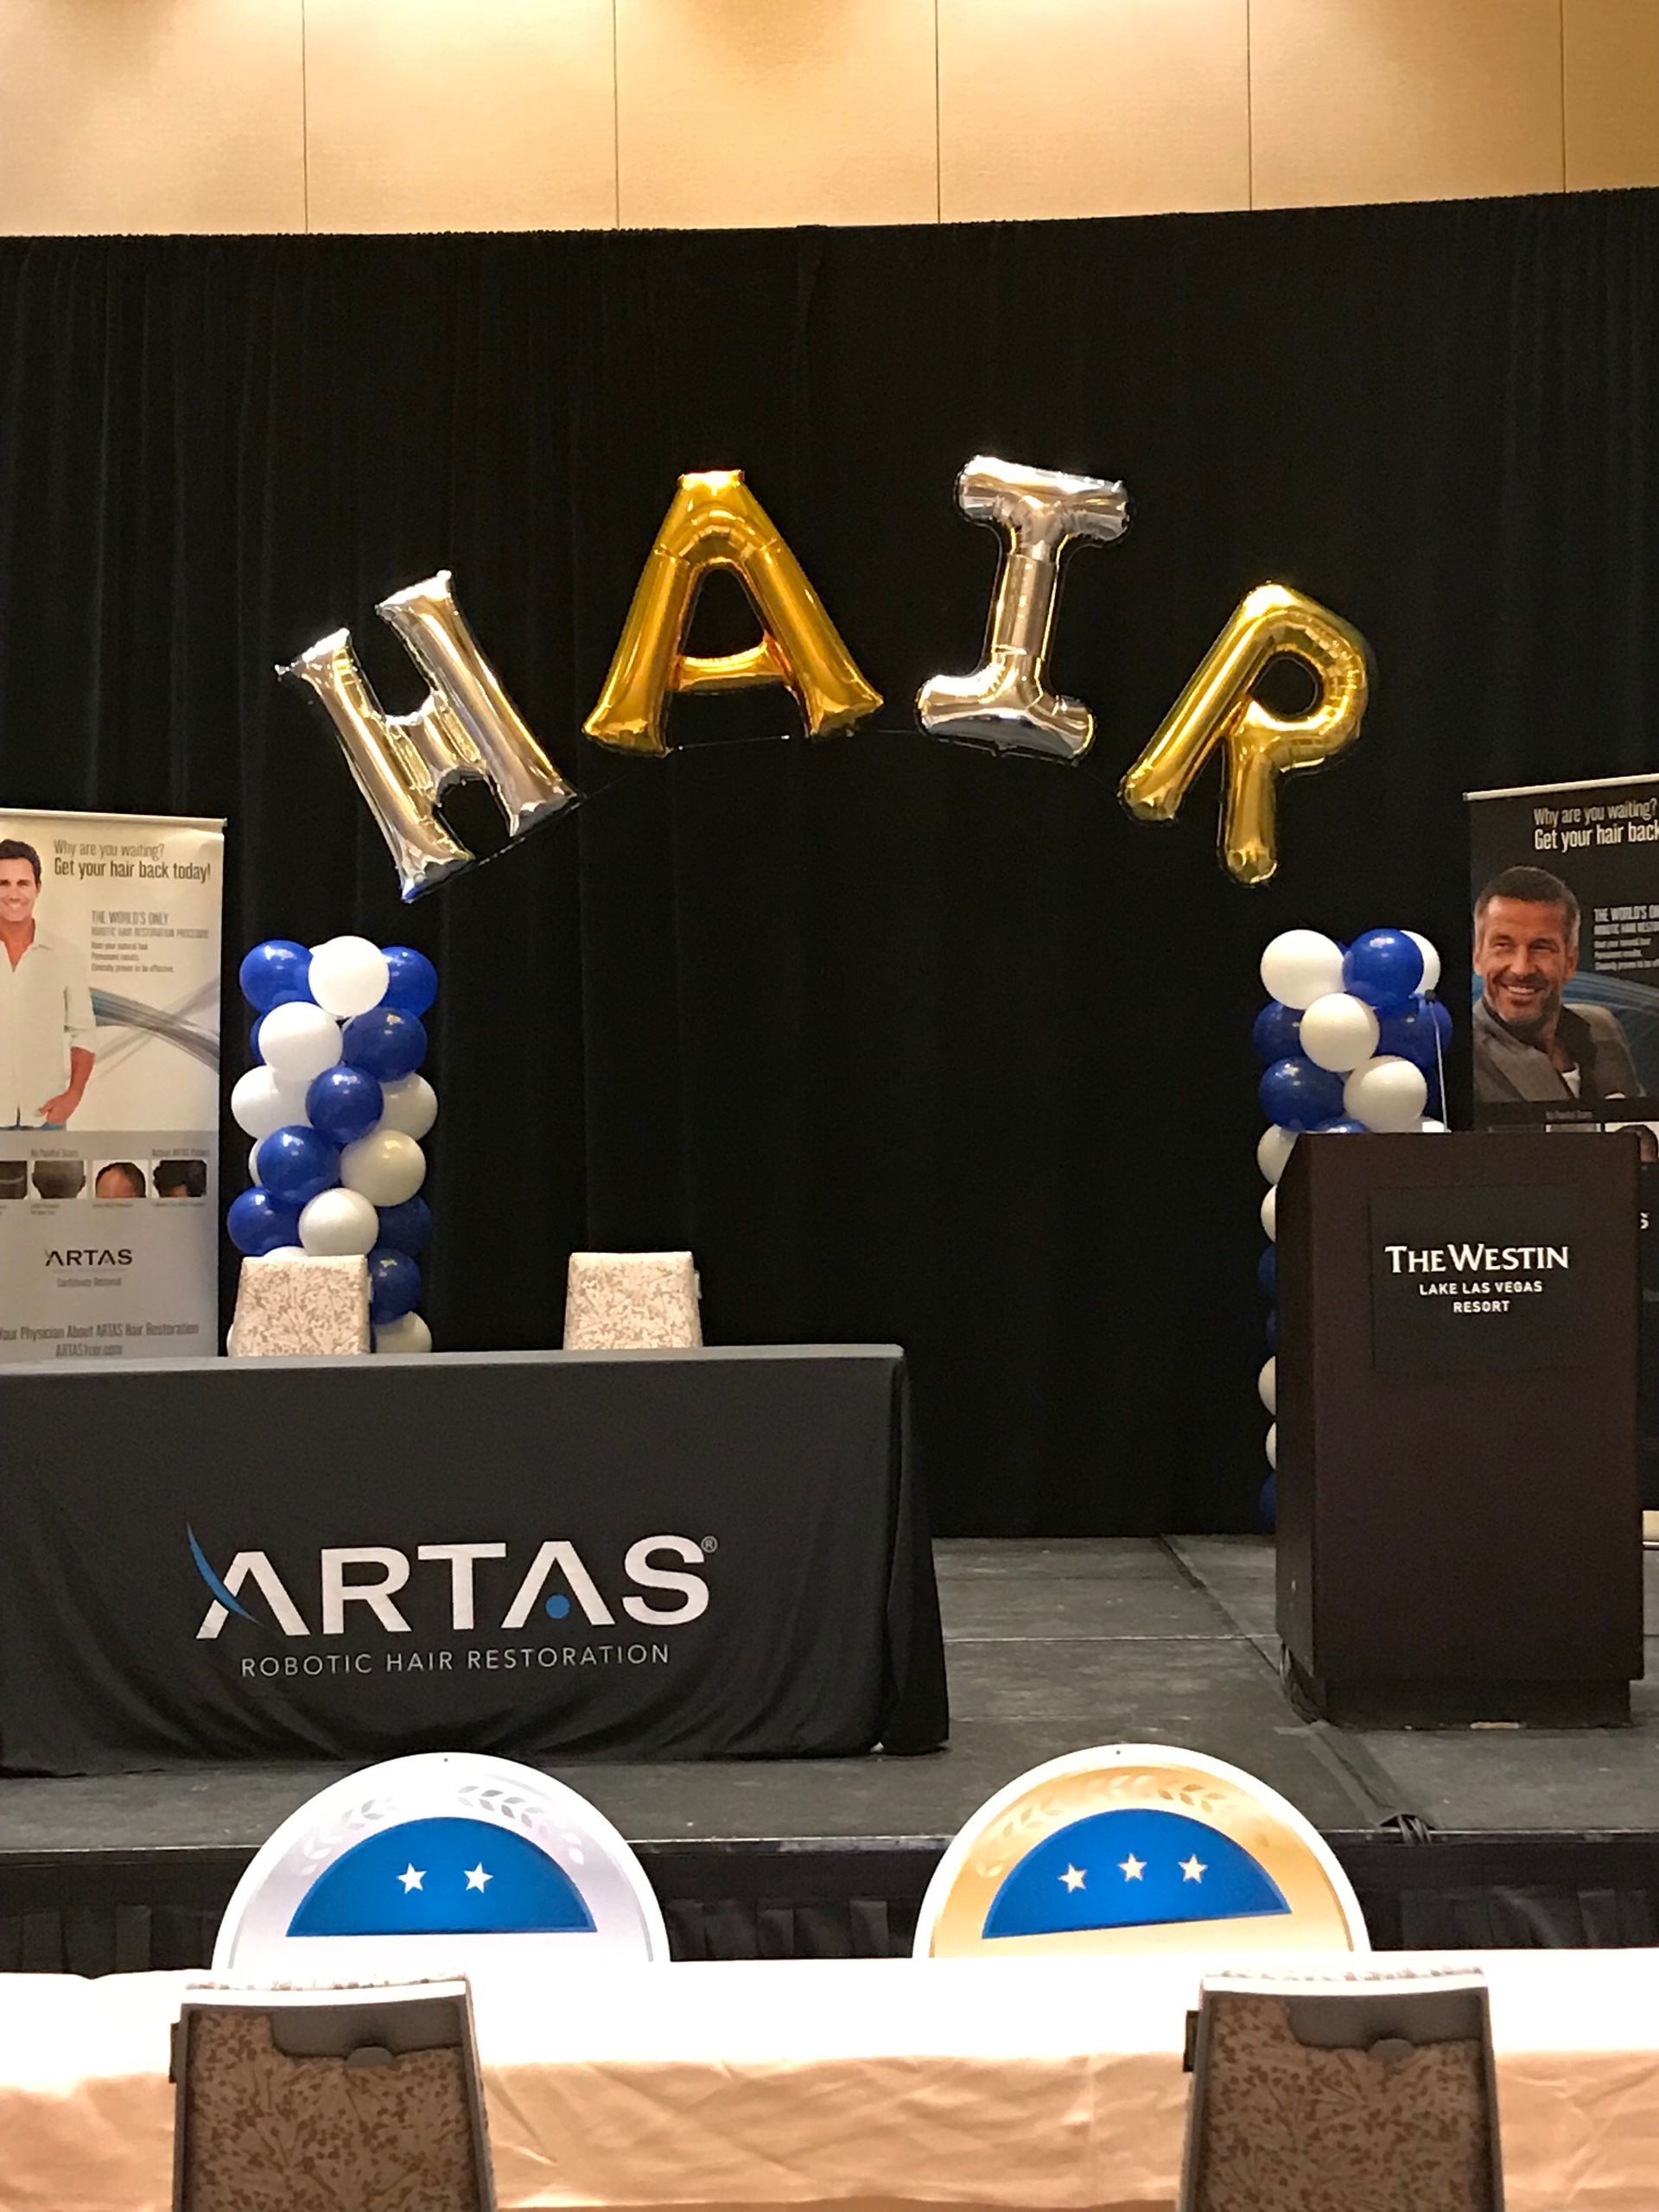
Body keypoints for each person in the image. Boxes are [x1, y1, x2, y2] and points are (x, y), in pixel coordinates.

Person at [1472, 865, 1640, 1105]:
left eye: (1541, 947)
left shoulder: (1603, 1027)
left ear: (1570, 962)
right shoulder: (1460, 1057)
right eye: (1503, 945)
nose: (1521, 968)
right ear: (1477, 956)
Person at [0, 838, 96, 1128]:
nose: (13, 894)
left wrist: (74, 1094)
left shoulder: (65, 955)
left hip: (46, 1119)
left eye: (22, 883)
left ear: (37, 888)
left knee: (61, 1176)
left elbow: (84, 1032)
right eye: (3, 883)